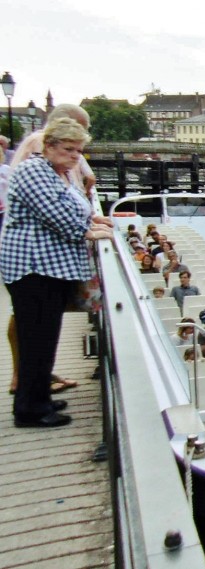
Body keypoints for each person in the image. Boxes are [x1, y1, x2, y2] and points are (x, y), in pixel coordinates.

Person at [2, 118, 113, 428]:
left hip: (48, 270)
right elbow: (55, 214)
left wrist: (94, 220)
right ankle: (29, 409)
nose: (75, 157)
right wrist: (89, 232)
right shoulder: (32, 170)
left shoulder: (55, 171)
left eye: (78, 151)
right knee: (36, 339)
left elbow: (75, 205)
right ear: (48, 146)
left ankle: (39, 397)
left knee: (44, 337)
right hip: (33, 269)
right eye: (69, 149)